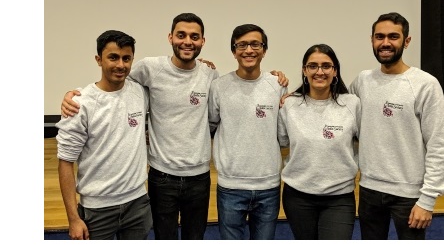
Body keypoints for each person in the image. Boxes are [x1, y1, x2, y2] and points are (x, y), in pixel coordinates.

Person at [60, 13, 289, 240]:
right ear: (170, 37)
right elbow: (114, 83)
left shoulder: (210, 74)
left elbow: (212, 119)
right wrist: (75, 95)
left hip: (199, 177)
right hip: (162, 178)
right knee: (164, 238)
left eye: (194, 36)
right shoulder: (149, 69)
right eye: (181, 35)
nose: (187, 41)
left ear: (202, 42)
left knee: (194, 238)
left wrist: (275, 77)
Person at [349, 12, 444, 240]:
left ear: (406, 41)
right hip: (369, 189)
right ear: (372, 40)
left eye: (393, 37)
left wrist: (428, 199)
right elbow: (336, 106)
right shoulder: (362, 81)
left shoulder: (426, 85)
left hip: (409, 194)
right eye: (379, 37)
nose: (385, 43)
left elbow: (438, 144)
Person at [56, 30, 153, 240]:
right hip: (97, 210)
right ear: (98, 60)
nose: (120, 65)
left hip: (138, 203)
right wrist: (73, 218)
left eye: (126, 58)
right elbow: (65, 162)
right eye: (113, 57)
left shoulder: (140, 92)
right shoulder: (80, 105)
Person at [208, 24, 288, 240]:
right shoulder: (219, 86)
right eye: (241, 45)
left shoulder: (277, 85)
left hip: (268, 185)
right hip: (231, 185)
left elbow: (282, 134)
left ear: (264, 50)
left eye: (255, 44)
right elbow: (211, 125)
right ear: (234, 51)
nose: (249, 50)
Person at [277, 44, 360, 240]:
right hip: (298, 196)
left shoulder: (352, 104)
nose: (319, 72)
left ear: (335, 70)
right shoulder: (289, 105)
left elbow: (370, 141)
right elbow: (281, 141)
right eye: (313, 66)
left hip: (339, 197)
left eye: (326, 66)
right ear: (304, 71)